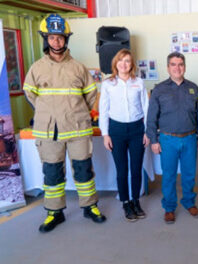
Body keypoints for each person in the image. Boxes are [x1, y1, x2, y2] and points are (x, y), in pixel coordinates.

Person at [23, 14, 106, 233]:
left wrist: (76, 113)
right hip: (49, 130)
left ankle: (90, 207)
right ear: (46, 39)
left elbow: (90, 96)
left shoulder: (78, 68)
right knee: (52, 173)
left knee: (84, 170)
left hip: (78, 127)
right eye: (52, 37)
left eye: (60, 37)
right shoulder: (36, 68)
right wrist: (47, 111)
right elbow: (30, 95)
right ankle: (54, 212)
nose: (56, 42)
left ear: (66, 39)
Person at [147, 52, 198, 224]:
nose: (177, 68)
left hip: (190, 139)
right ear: (168, 67)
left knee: (188, 174)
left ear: (184, 67)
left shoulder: (194, 88)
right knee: (169, 175)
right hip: (167, 139)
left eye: (180, 64)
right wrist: (154, 140)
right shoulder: (159, 89)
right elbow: (151, 117)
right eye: (173, 64)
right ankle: (169, 207)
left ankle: (188, 202)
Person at [99, 49, 149, 222]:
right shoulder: (108, 84)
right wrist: (105, 134)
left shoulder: (139, 83)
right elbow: (103, 111)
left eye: (127, 61)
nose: (124, 64)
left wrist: (147, 132)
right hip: (116, 131)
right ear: (115, 63)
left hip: (136, 130)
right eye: (120, 60)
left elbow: (146, 108)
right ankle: (125, 202)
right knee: (122, 170)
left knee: (136, 169)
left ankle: (136, 201)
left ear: (132, 64)